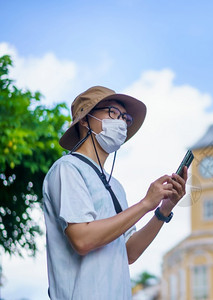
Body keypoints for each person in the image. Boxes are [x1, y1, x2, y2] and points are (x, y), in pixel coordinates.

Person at [42, 86, 187, 299]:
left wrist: (163, 210)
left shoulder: (115, 186)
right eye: (112, 113)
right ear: (84, 119)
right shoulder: (68, 169)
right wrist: (145, 203)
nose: (120, 122)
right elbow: (82, 240)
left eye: (124, 118)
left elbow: (129, 252)